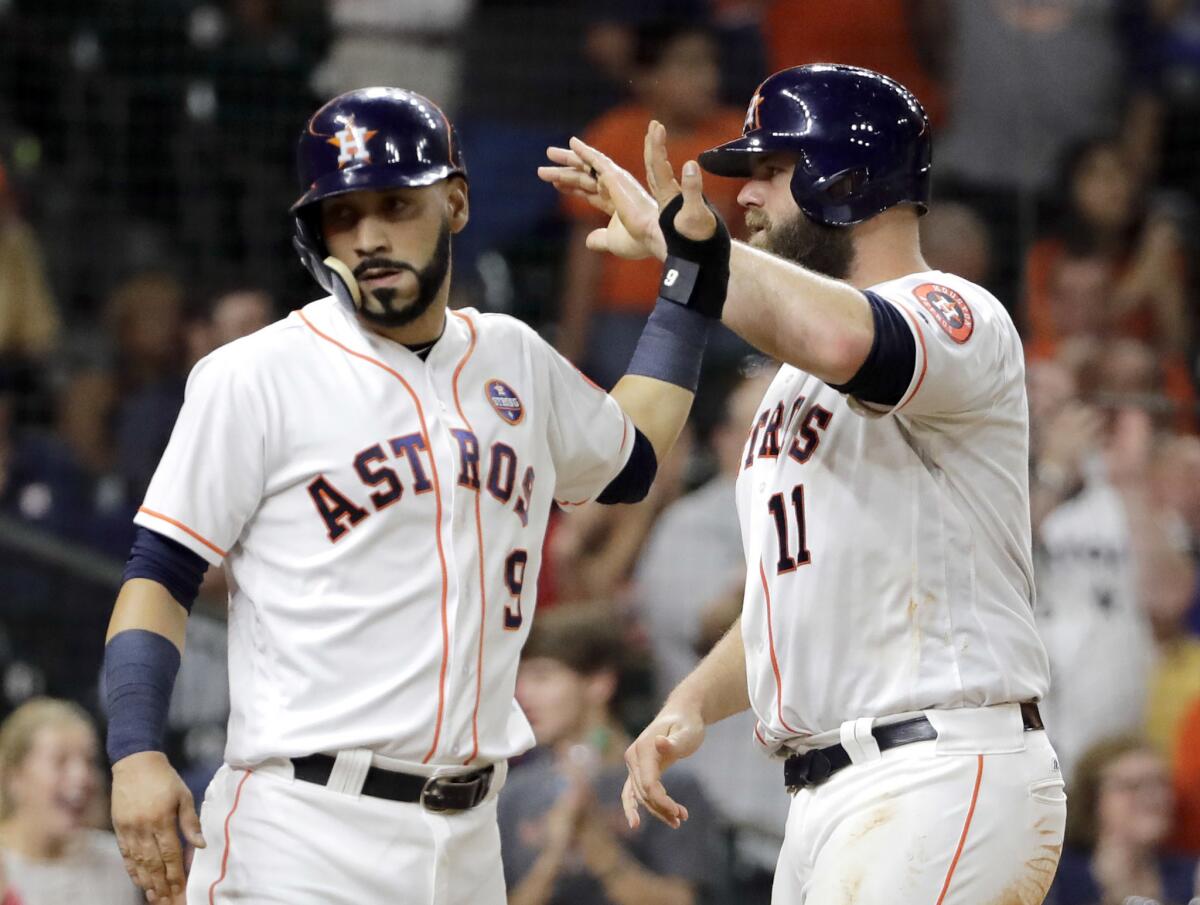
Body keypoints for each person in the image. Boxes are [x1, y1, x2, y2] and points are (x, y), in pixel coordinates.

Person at [102, 86, 727, 905]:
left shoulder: (512, 356)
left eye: (396, 205)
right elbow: (159, 573)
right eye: (342, 215)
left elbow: (634, 454)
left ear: (456, 203)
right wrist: (136, 749)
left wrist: (690, 277)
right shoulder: (254, 374)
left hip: (468, 840)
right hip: (303, 830)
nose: (368, 237)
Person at [540, 63, 1066, 903]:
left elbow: (842, 336)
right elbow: (794, 601)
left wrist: (692, 258)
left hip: (936, 768)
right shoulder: (787, 381)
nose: (745, 197)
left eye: (772, 172)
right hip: (832, 794)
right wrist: (690, 699)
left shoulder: (954, 310)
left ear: (848, 180)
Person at [500, 604, 722, 905]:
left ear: (599, 683)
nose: (522, 694)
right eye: (520, 678)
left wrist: (595, 840)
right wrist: (552, 856)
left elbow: (683, 900)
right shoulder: (514, 791)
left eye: (542, 676)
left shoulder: (666, 785)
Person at [0, 698, 140, 905]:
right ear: (14, 776)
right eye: (60, 761)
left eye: (90, 761)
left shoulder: (118, 861)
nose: (82, 776)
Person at [1049, 736, 1199, 905]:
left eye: (1161, 783)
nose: (1153, 796)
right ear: (1092, 799)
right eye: (1132, 785)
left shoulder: (1191, 875)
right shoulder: (1055, 878)